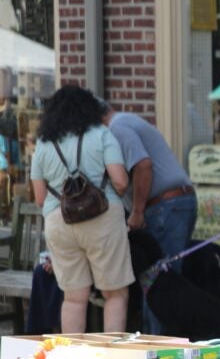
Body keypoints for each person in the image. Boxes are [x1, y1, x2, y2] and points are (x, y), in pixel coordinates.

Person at [30, 85, 133, 334]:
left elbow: (40, 198)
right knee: (114, 294)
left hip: (59, 222)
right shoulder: (102, 134)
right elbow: (120, 181)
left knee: (74, 298)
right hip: (102, 220)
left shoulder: (44, 143)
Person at [100, 99, 197, 334]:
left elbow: (143, 165)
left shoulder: (117, 129)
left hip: (165, 208)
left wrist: (137, 211)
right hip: (174, 205)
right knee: (163, 281)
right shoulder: (127, 121)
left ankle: (157, 352)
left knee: (159, 285)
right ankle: (160, 349)